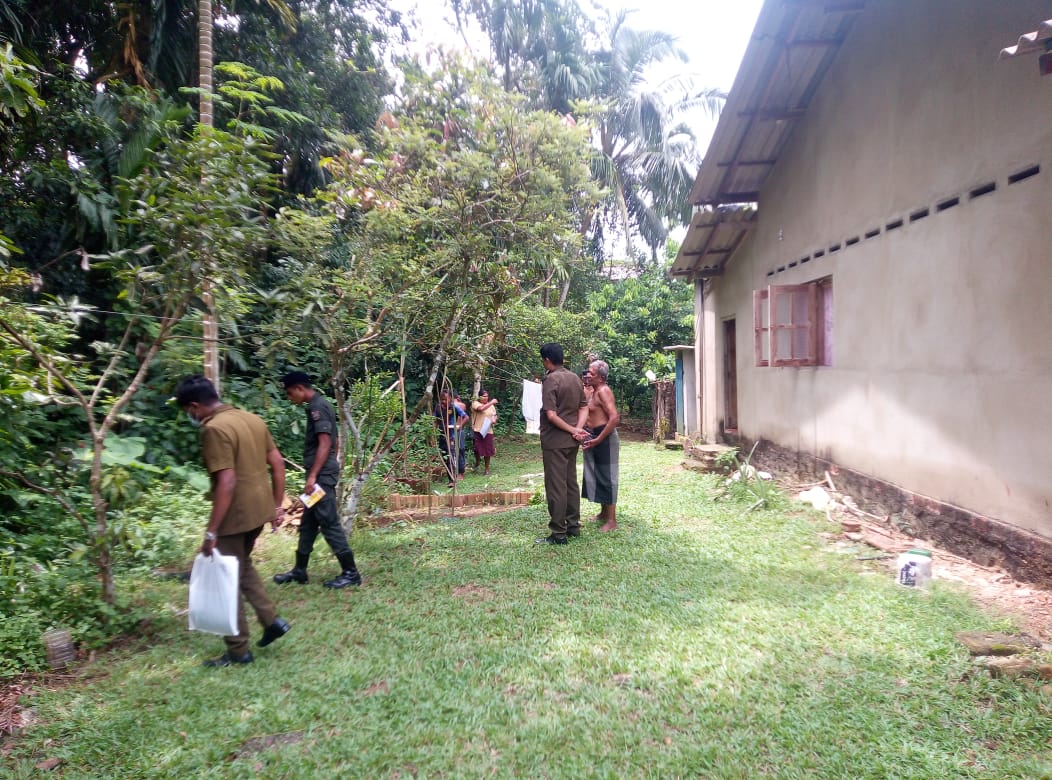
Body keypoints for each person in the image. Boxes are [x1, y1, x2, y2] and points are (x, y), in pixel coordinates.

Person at [174, 375, 290, 667]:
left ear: (196, 406)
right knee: (242, 565)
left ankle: (238, 651)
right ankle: (272, 620)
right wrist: (277, 505)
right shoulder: (252, 419)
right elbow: (278, 463)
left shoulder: (213, 429)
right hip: (259, 511)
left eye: (189, 412)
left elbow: (226, 482)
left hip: (234, 515)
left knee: (226, 579)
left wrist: (211, 531)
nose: (191, 417)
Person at [273, 371, 362, 589]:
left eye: (289, 392)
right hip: (321, 473)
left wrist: (313, 475)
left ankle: (351, 573)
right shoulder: (321, 405)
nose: (289, 397)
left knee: (329, 522)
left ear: (300, 388)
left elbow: (324, 443)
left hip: (320, 477)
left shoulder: (316, 406)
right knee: (308, 524)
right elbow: (335, 440)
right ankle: (299, 570)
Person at [536, 343, 588, 545]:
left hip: (555, 441)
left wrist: (574, 429)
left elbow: (551, 415)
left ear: (547, 360)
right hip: (571, 442)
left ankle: (558, 533)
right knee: (570, 483)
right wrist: (578, 429)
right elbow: (584, 407)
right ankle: (573, 526)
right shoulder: (575, 377)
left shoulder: (551, 379)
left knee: (556, 486)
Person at [581, 359, 621, 532]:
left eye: (591, 373)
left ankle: (612, 520)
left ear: (601, 378)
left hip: (605, 437)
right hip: (594, 436)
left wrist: (599, 439)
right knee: (597, 474)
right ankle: (604, 513)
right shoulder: (592, 391)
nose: (588, 375)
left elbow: (614, 418)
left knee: (608, 476)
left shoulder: (604, 391)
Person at [435, 389, 468, 484]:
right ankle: (450, 477)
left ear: (450, 398)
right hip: (441, 435)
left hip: (451, 437)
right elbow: (435, 421)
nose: (444, 401)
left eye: (445, 399)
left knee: (451, 456)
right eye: (442, 399)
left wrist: (459, 427)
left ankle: (452, 480)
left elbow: (466, 417)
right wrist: (433, 434)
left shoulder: (454, 407)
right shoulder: (438, 408)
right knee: (445, 457)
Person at [470, 389, 498, 475]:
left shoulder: (491, 406)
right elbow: (481, 409)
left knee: (488, 451)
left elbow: (494, 415)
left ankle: (486, 469)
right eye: (484, 396)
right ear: (480, 397)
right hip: (477, 430)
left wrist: (494, 419)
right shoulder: (475, 403)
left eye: (487, 396)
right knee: (476, 448)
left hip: (488, 431)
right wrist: (491, 402)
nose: (486, 398)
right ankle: (477, 461)